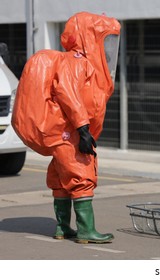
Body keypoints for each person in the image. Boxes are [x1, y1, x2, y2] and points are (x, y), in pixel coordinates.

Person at [12, 12, 121, 244]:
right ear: (89, 35)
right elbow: (69, 95)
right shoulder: (77, 63)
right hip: (69, 133)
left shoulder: (77, 62)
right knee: (82, 175)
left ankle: (63, 228)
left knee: (61, 179)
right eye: (105, 39)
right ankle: (86, 231)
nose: (109, 48)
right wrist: (83, 129)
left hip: (63, 133)